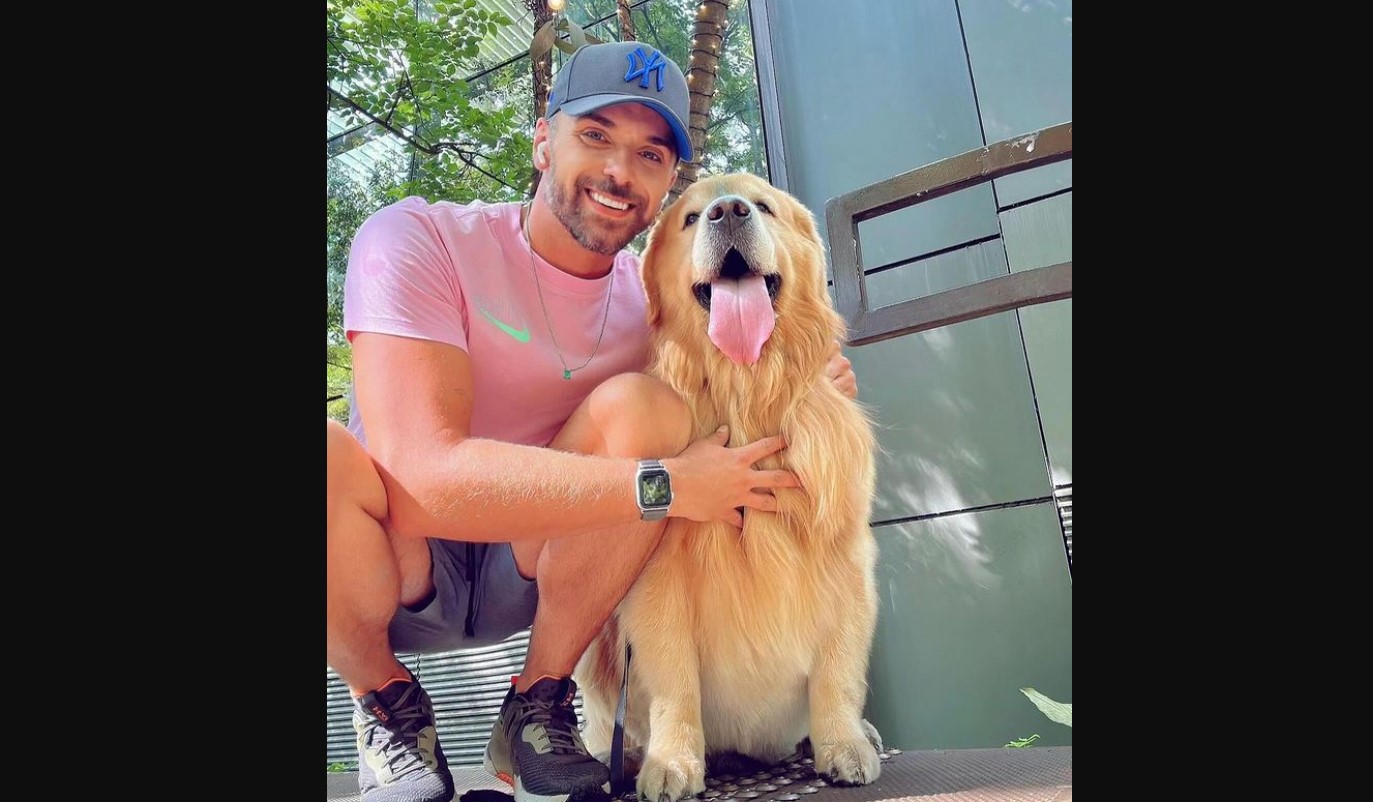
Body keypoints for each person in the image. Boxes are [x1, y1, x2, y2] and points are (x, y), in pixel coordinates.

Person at [327, 40, 858, 802]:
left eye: (649, 154)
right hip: (394, 561)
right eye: (596, 135)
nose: (619, 172)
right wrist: (668, 487)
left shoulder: (656, 310)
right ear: (543, 140)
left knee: (645, 407)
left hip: (535, 569)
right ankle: (387, 706)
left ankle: (537, 706)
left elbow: (750, 382)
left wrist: (816, 381)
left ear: (669, 179)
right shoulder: (417, 238)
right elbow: (423, 474)